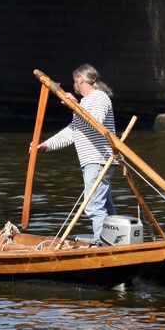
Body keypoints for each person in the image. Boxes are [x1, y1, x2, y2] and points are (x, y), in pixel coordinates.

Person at [32, 64, 118, 245]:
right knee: (105, 207)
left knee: (94, 205)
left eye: (74, 81)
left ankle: (102, 245)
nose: (74, 85)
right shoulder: (86, 102)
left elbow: (97, 121)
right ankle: (116, 241)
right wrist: (45, 146)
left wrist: (76, 106)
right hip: (93, 161)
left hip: (99, 159)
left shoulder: (99, 97)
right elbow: (72, 132)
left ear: (80, 80)